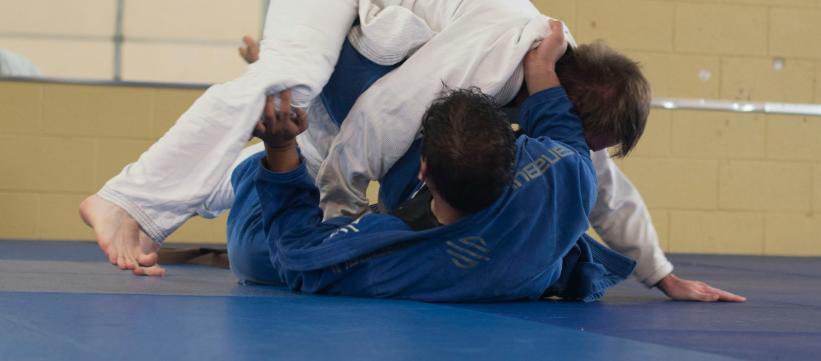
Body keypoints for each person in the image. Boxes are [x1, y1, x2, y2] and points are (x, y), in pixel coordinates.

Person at [80, 0, 742, 301]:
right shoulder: (492, 54)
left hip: (375, 36)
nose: (581, 144)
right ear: (566, 100)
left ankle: (236, 176)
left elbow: (602, 183)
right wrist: (338, 220)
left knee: (300, 134)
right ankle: (128, 199)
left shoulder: (556, 96)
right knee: (293, 79)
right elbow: (379, 115)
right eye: (586, 132)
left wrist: (662, 273)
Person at [225, 24, 636, 301]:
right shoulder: (565, 175)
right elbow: (561, 126)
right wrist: (544, 69)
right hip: (500, 252)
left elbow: (295, 254)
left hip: (298, 190)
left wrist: (280, 150)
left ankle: (267, 158)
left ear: (424, 170)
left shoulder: (393, 256)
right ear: (514, 155)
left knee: (255, 257)